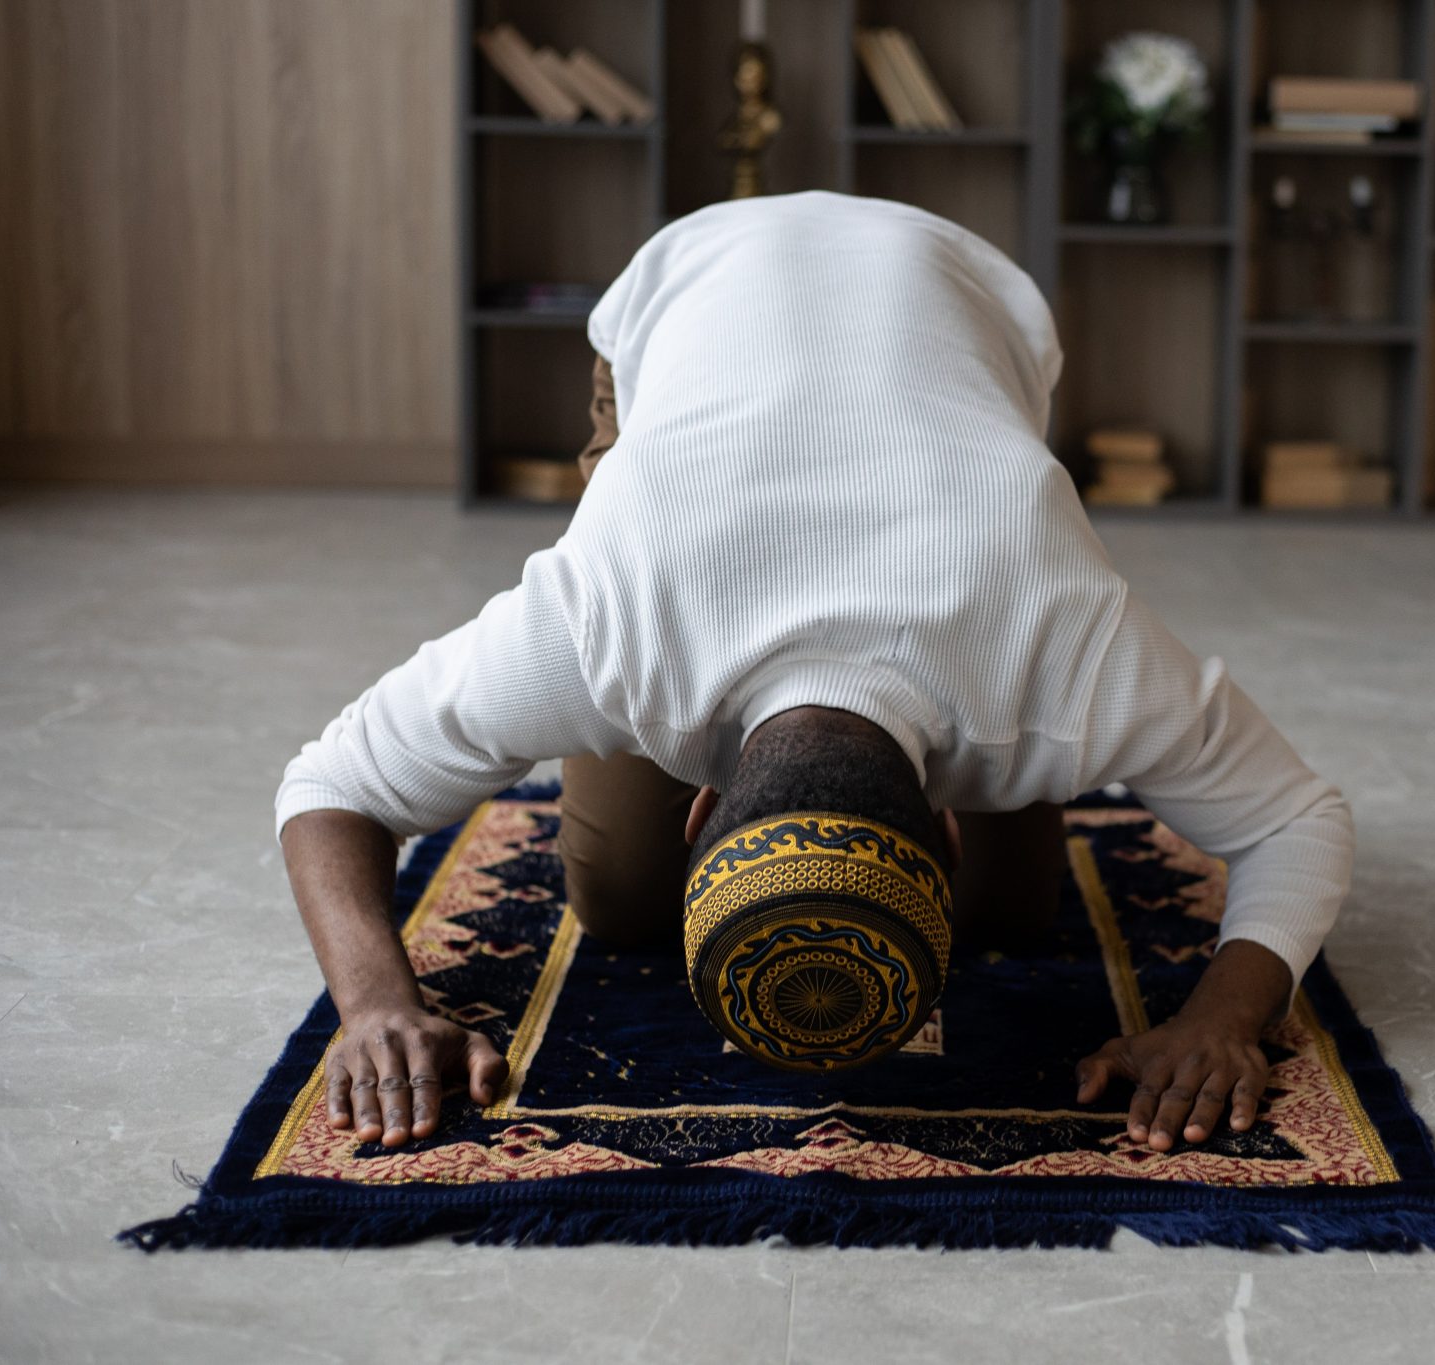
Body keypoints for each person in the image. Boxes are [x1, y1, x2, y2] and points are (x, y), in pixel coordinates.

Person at [277, 191, 1354, 1157]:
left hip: (960, 307)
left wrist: (1219, 1019)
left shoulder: (1069, 644)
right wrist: (372, 1001)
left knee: (1011, 916)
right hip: (685, 292)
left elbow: (1299, 819)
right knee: (619, 898)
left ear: (703, 811)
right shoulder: (597, 617)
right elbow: (328, 791)